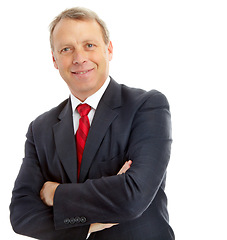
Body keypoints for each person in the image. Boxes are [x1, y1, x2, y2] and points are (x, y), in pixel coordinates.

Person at [10, 7, 174, 240]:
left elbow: (133, 196)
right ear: (55, 60)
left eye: (89, 45)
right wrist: (85, 227)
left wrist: (54, 193)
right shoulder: (40, 129)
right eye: (67, 49)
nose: (79, 58)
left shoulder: (146, 106)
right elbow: (22, 215)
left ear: (109, 49)